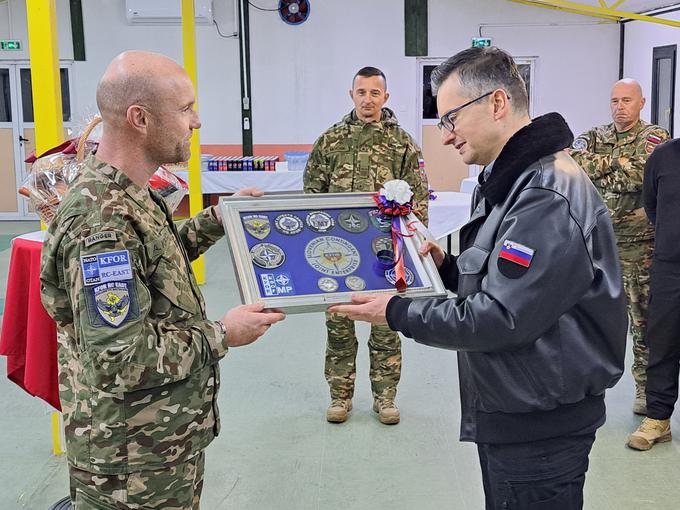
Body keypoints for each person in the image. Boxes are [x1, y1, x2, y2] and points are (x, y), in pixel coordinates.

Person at [329, 47, 627, 509]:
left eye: (450, 119)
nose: (446, 137)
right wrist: (445, 268)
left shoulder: (545, 193)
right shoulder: (512, 179)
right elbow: (509, 286)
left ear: (496, 104)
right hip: (519, 402)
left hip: (539, 424)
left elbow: (501, 317)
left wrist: (396, 311)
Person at [40, 51, 285, 509]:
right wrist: (223, 333)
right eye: (186, 108)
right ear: (140, 118)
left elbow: (159, 265)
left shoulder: (129, 193)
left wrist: (219, 217)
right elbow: (120, 358)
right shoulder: (102, 223)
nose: (196, 120)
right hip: (130, 461)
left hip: (158, 443)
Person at [303, 66, 429, 425]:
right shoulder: (330, 140)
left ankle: (385, 398)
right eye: (362, 92)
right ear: (351, 94)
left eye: (375, 93)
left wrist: (414, 248)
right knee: (339, 328)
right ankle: (340, 398)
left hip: (384, 255)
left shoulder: (402, 143)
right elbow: (312, 194)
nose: (368, 100)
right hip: (337, 254)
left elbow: (419, 197)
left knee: (386, 326)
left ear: (385, 98)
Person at [570, 79, 669, 415]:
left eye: (626, 100)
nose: (619, 107)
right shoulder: (595, 135)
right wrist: (616, 163)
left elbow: (639, 178)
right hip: (595, 246)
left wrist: (600, 167)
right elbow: (572, 163)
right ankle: (585, 385)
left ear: (642, 103)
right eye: (614, 100)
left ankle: (646, 392)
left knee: (644, 325)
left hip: (638, 249)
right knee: (586, 320)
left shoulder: (655, 138)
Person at [627, 137, 680, 450]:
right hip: (670, 265)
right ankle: (658, 419)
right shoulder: (662, 156)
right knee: (662, 340)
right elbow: (652, 206)